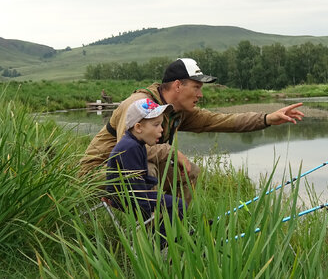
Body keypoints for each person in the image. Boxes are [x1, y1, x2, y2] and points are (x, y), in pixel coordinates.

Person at [80, 58, 304, 204]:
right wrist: (170, 152)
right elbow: (127, 152)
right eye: (196, 87)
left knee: (189, 171)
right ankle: (151, 236)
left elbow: (221, 121)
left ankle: (175, 226)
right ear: (178, 85)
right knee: (149, 168)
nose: (200, 94)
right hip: (97, 175)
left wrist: (266, 118)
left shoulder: (177, 111)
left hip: (129, 175)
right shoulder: (140, 105)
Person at [106, 98, 183, 247]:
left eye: (161, 124)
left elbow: (139, 178)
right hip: (126, 197)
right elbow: (135, 185)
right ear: (138, 127)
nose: (161, 129)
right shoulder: (131, 147)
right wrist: (147, 213)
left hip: (129, 193)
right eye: (156, 125)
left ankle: (166, 236)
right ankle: (159, 243)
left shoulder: (136, 143)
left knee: (174, 204)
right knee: (178, 205)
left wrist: (153, 185)